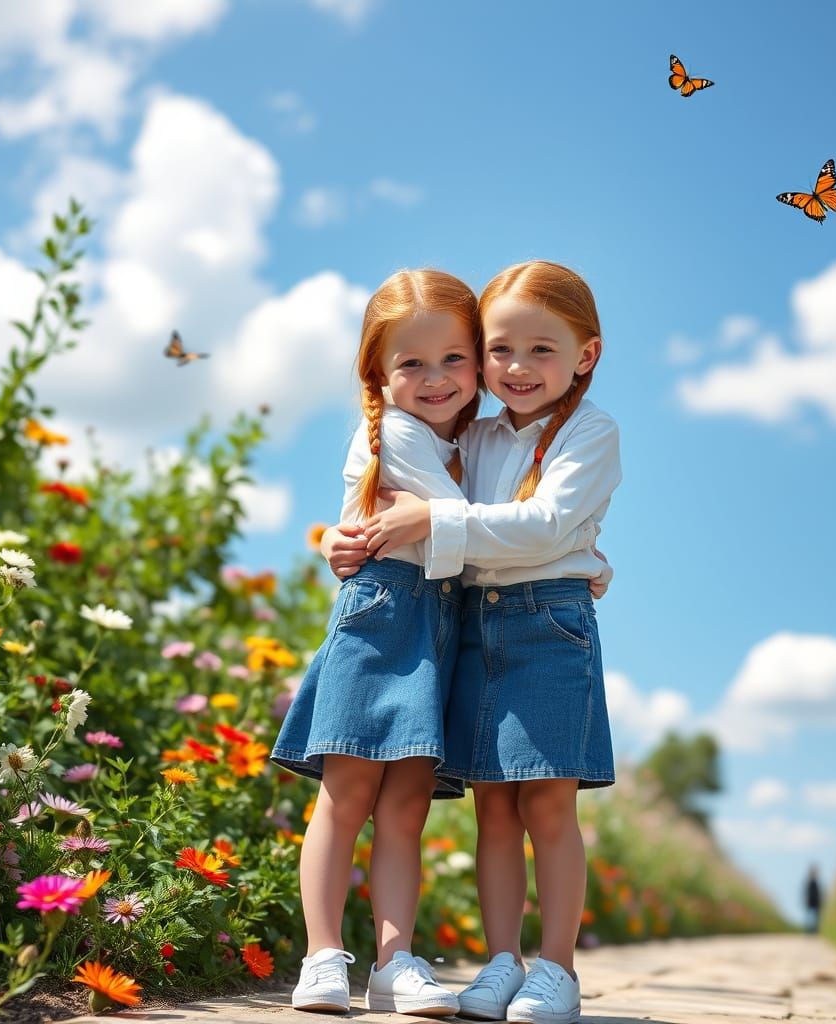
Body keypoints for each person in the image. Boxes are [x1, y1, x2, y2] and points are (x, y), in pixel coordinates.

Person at [274, 268, 595, 1017]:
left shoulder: (480, 438)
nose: (437, 378)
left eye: (455, 359)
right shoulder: (401, 437)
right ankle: (323, 956)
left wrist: (571, 549)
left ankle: (395, 960)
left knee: (408, 805)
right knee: (347, 790)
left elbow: (480, 524)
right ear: (377, 375)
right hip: (384, 620)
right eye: (411, 364)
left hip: (447, 627)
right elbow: (470, 523)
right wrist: (569, 551)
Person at [804, 864, 822, 933]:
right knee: (810, 917)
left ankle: (814, 930)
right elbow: (807, 893)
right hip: (811, 902)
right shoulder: (810, 882)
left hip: (814, 903)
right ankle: (810, 930)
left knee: (814, 918)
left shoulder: (814, 882)